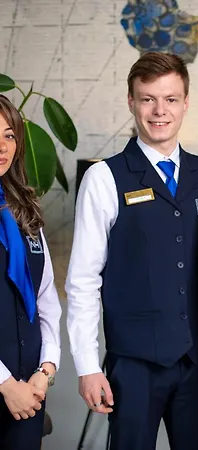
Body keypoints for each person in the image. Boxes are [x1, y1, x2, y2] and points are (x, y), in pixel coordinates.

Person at [66, 52, 198, 450]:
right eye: (148, 99)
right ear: (131, 102)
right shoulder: (103, 178)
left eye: (170, 99)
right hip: (133, 365)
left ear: (186, 102)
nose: (159, 111)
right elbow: (83, 281)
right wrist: (87, 366)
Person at [0, 94, 61, 450]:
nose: (2, 146)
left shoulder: (25, 213)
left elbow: (45, 299)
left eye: (9, 135)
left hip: (30, 391)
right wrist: (6, 384)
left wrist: (46, 369)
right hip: (11, 388)